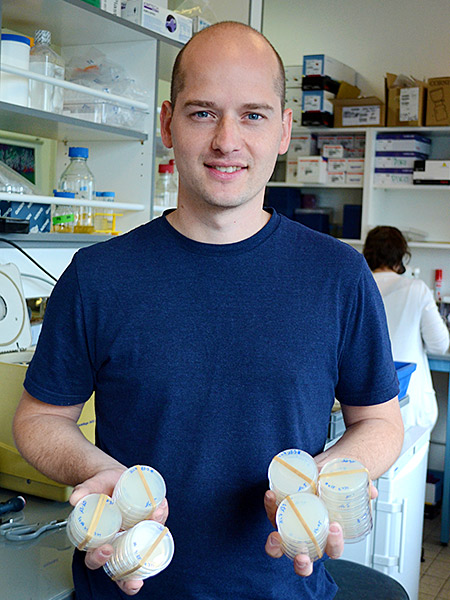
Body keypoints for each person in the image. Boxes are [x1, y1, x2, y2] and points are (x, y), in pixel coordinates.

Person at [13, 22, 404, 600]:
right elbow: (40, 418)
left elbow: (379, 422)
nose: (227, 140)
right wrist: (99, 474)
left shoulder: (339, 276)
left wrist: (327, 477)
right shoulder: (98, 276)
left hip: (283, 589)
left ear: (283, 130)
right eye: (202, 113)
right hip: (127, 584)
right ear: (167, 123)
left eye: (252, 115)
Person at [363, 226, 449, 430]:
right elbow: (440, 345)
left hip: (366, 404)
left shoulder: (359, 287)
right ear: (400, 256)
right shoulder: (416, 289)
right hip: (411, 405)